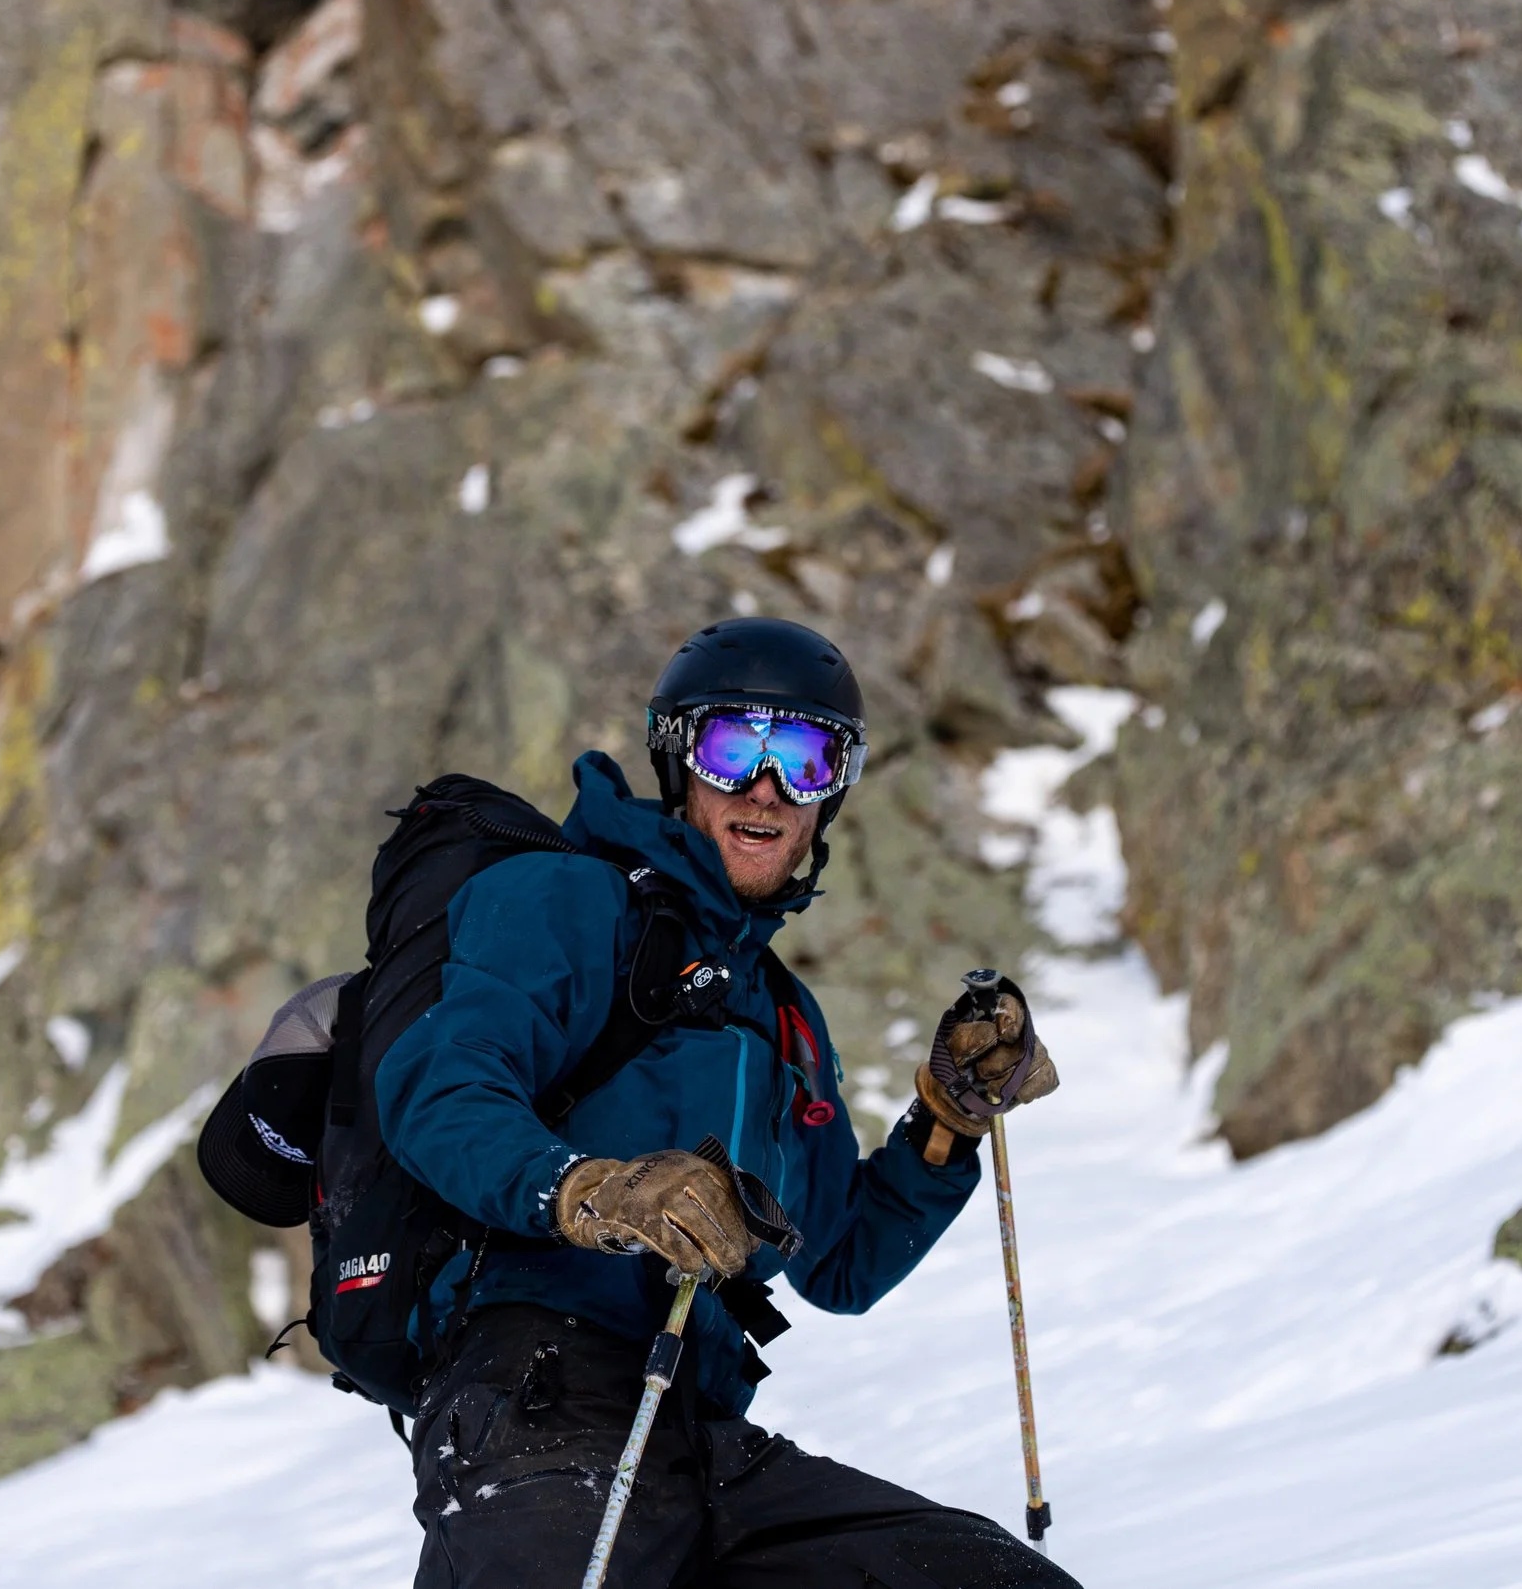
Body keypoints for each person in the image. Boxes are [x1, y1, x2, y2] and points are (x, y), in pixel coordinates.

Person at [376, 616, 1074, 1588]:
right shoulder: (564, 900)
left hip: (700, 1430)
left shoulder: (782, 1015)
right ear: (677, 759)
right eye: (730, 746)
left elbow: (839, 1258)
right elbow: (437, 1091)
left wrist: (948, 1122)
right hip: (529, 1396)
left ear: (834, 789)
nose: (765, 784)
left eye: (803, 754)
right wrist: (591, 1188)